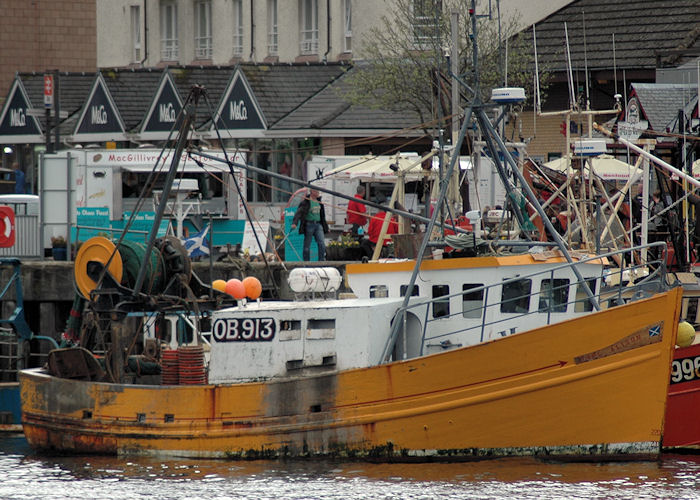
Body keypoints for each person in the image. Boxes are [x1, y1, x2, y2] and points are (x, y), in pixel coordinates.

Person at [291, 188, 329, 261]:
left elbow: (322, 216)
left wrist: (326, 227)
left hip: (318, 224)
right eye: (316, 191)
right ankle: (306, 262)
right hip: (309, 224)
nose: (318, 193)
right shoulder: (306, 202)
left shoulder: (319, 202)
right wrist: (294, 223)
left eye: (318, 191)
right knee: (307, 245)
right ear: (312, 192)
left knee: (321, 243)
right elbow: (298, 213)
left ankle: (321, 261)